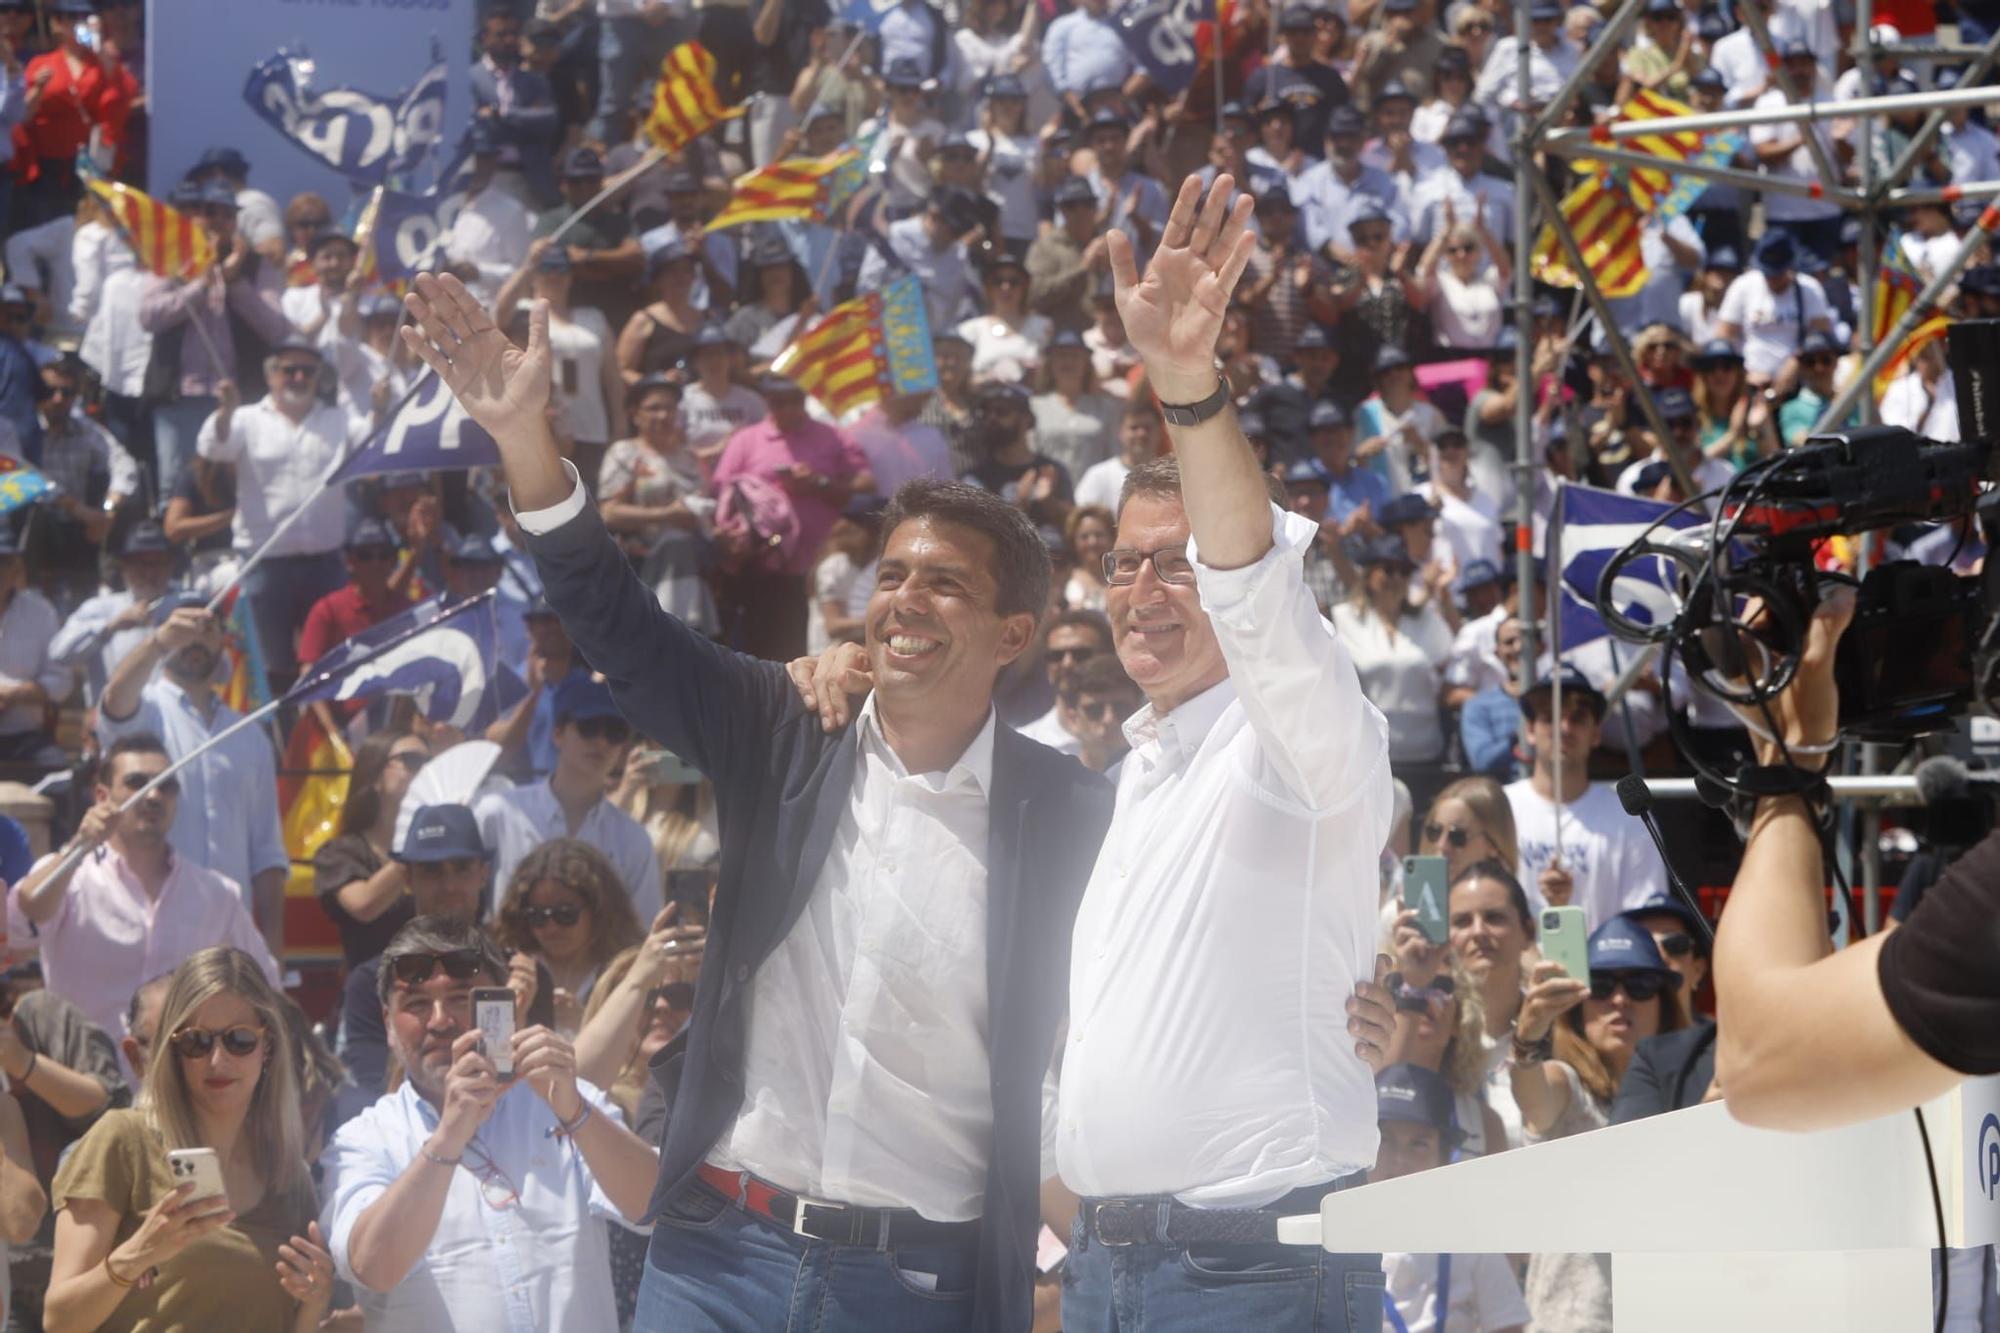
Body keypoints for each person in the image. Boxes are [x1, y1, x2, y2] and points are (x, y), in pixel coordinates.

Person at [399, 267, 1111, 1332]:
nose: (905, 599)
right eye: (893, 573)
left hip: (921, 1286)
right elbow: (621, 631)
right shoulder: (785, 724)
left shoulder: (1069, 812)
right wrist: (525, 441)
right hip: (718, 1256)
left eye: (945, 583)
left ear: (1014, 637)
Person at [1048, 173, 1394, 1331]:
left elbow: (1253, 597)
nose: (1142, 589)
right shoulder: (1136, 772)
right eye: (1123, 562)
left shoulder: (1297, 735)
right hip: (1108, 1273)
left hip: (1253, 1279)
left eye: (1176, 560)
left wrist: (1187, 389)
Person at [319, 914, 656, 1330]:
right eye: (417, 1004)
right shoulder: (365, 1138)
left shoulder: (566, 1101)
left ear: (503, 1011)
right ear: (388, 1026)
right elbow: (373, 1268)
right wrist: (447, 1137)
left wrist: (577, 1113)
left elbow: (653, 1209)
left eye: (461, 998)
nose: (440, 1021)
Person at [43, 946, 337, 1333]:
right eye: (197, 1042)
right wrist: (137, 1254)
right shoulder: (123, 1140)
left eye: (240, 1040)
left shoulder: (287, 1175)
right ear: (173, 1050)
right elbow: (59, 1320)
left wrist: (315, 1302)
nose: (217, 1060)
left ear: (267, 1047)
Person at [9, 730, 280, 1050]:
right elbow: (20, 923)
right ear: (101, 797)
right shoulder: (71, 876)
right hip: (81, 1087)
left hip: (184, 1090)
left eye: (166, 785)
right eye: (137, 783)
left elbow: (266, 990)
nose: (153, 795)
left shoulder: (217, 894)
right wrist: (78, 847)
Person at [97, 598, 289, 959]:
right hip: (149, 931)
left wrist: (274, 955)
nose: (195, 640)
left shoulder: (249, 734)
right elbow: (114, 702)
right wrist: (158, 642)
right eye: (183, 629)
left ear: (222, 640)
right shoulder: (146, 710)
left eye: (207, 629)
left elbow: (267, 853)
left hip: (229, 938)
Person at [195, 338, 362, 688]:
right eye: (289, 370)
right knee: (268, 666)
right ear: (271, 375)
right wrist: (225, 411)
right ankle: (277, 737)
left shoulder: (339, 419)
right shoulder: (245, 418)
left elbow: (373, 440)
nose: (299, 377)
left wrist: (379, 406)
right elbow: (213, 447)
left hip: (326, 562)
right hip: (265, 564)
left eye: (308, 371)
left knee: (330, 663)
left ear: (319, 377)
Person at [475, 675, 664, 926]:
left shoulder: (634, 840)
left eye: (615, 732)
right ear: (558, 733)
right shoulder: (498, 813)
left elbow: (641, 936)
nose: (601, 741)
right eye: (589, 727)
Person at [709, 372, 872, 660]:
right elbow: (722, 489)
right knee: (763, 651)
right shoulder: (746, 440)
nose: (787, 409)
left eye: (794, 401)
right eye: (778, 402)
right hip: (763, 566)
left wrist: (820, 484)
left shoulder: (831, 436)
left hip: (817, 567)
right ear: (767, 403)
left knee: (812, 652)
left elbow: (866, 483)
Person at [1372, 1063, 1532, 1333]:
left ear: (1444, 1157)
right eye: (1385, 1140)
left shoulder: (1469, 1240)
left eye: (1419, 1144)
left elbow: (1508, 1325)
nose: (1400, 1160)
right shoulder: (1333, 1236)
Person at [1504, 667, 1667, 926]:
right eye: (1550, 717)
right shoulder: (1501, 808)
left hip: (1603, 965)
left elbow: (1644, 917)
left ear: (1596, 733)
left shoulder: (1629, 818)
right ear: (1530, 731)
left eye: (1578, 718)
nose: (1565, 728)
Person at [492, 838, 646, 1035]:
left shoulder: (629, 972)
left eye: (565, 914)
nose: (551, 927)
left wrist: (586, 1024)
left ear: (598, 910)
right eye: (537, 916)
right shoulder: (506, 970)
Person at [313, 727, 431, 969]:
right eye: (411, 761)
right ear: (375, 775)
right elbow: (364, 905)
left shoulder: (440, 847)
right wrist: (413, 847)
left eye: (429, 763)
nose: (423, 772)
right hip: (372, 994)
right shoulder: (339, 853)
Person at [1332, 536, 1453, 772]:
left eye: (1404, 571)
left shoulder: (1427, 621)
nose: (1396, 578)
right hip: (1368, 754)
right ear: (1368, 575)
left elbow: (1449, 670)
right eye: (1387, 569)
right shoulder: (1342, 618)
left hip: (1424, 751)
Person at [47, 519, 174, 709]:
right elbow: (58, 653)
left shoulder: (185, 606)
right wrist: (110, 627)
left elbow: (223, 670)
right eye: (140, 565)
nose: (149, 573)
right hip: (113, 726)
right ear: (124, 567)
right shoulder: (100, 608)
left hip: (171, 726)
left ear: (170, 565)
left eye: (156, 564)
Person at [0, 527, 75, 770]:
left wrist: (15, 695)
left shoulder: (40, 611)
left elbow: (62, 681)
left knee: (59, 774)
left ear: (16, 569)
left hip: (26, 737)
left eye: (4, 561)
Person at [1015, 608, 1114, 753]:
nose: (1067, 663)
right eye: (1056, 656)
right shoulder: (1023, 746)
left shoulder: (1139, 735)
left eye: (1081, 654)